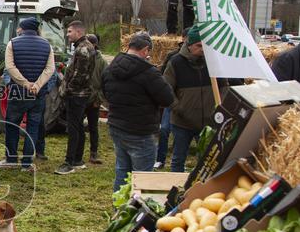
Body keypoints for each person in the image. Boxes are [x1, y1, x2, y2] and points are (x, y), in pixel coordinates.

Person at [102, 32, 176, 192]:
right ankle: (136, 211)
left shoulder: (110, 68)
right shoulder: (149, 73)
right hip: (141, 132)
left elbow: (105, 93)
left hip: (117, 126)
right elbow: (168, 98)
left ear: (129, 47)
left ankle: (120, 208)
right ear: (145, 50)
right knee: (142, 177)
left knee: (122, 169)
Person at [1, 17, 54, 170]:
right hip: (38, 94)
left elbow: (10, 67)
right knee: (33, 127)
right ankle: (26, 163)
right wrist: (36, 86)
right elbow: (50, 69)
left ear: (22, 28)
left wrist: (25, 83)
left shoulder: (12, 43)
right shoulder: (47, 45)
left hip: (18, 93)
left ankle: (11, 159)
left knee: (12, 125)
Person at [162, 27, 215, 172]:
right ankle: (175, 188)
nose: (203, 49)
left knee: (207, 159)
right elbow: (166, 89)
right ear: (189, 44)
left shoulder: (212, 62)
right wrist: (179, 108)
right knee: (178, 158)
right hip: (182, 122)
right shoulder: (176, 62)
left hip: (207, 122)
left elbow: (223, 87)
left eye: (205, 45)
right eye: (199, 45)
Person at [55, 21, 96, 175]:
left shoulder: (83, 48)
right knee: (78, 126)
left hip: (77, 95)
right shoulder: (82, 46)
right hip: (79, 94)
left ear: (79, 32)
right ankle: (78, 160)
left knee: (73, 128)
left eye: (70, 31)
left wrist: (67, 90)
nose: (67, 34)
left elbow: (81, 75)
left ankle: (69, 162)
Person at [84, 33, 106, 165]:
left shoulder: (102, 62)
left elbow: (106, 83)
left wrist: (99, 99)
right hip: (80, 98)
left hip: (94, 100)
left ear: (94, 45)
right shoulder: (80, 57)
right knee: (76, 127)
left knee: (93, 127)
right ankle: (76, 154)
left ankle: (93, 153)